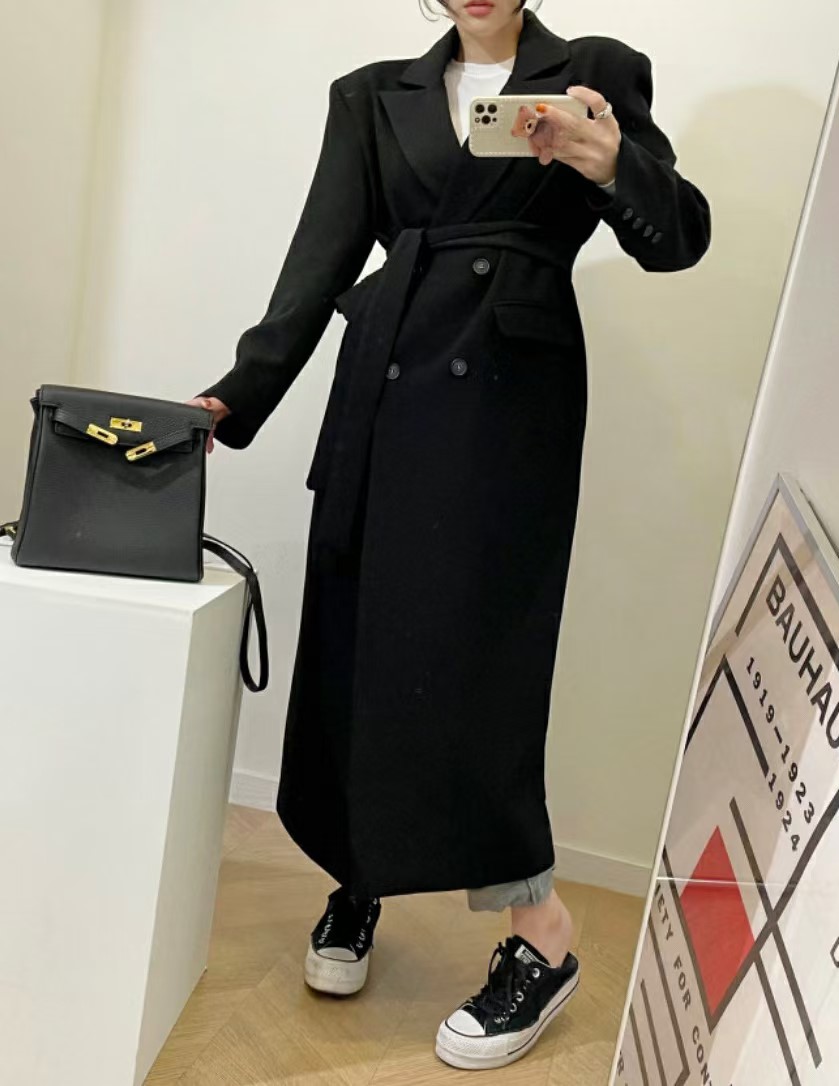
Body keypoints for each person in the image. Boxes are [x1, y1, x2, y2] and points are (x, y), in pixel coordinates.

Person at [188, 0, 710, 1071]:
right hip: (383, 389)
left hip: (505, 406)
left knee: (477, 666)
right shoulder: (370, 95)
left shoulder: (594, 68)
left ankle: (541, 935)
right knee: (359, 645)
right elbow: (320, 259)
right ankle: (359, 875)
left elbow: (680, 240)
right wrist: (238, 395)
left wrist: (612, 166)